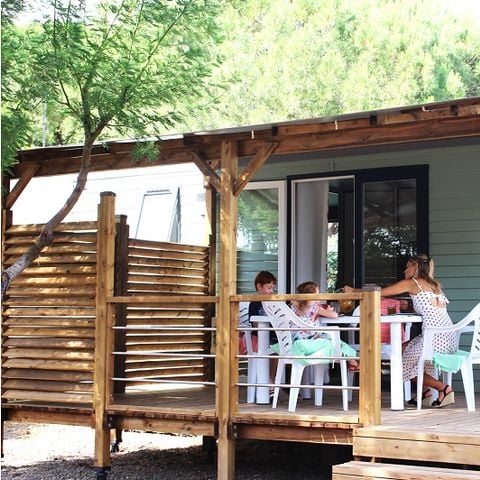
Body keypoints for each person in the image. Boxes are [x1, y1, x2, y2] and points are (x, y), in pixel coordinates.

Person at [343, 254, 457, 407]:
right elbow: (430, 308)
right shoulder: (434, 285)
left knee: (401, 366)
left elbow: (379, 292)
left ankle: (443, 389)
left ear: (415, 267)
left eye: (407, 266)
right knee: (399, 349)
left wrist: (353, 291)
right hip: (447, 337)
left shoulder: (412, 283)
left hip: (434, 339)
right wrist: (409, 306)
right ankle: (425, 393)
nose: (404, 270)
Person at [291, 281, 359, 372]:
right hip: (309, 340)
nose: (320, 296)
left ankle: (353, 362)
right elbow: (334, 315)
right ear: (312, 296)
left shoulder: (293, 307)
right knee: (335, 340)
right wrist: (327, 310)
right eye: (318, 293)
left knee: (332, 340)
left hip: (295, 339)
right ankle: (353, 362)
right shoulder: (315, 308)